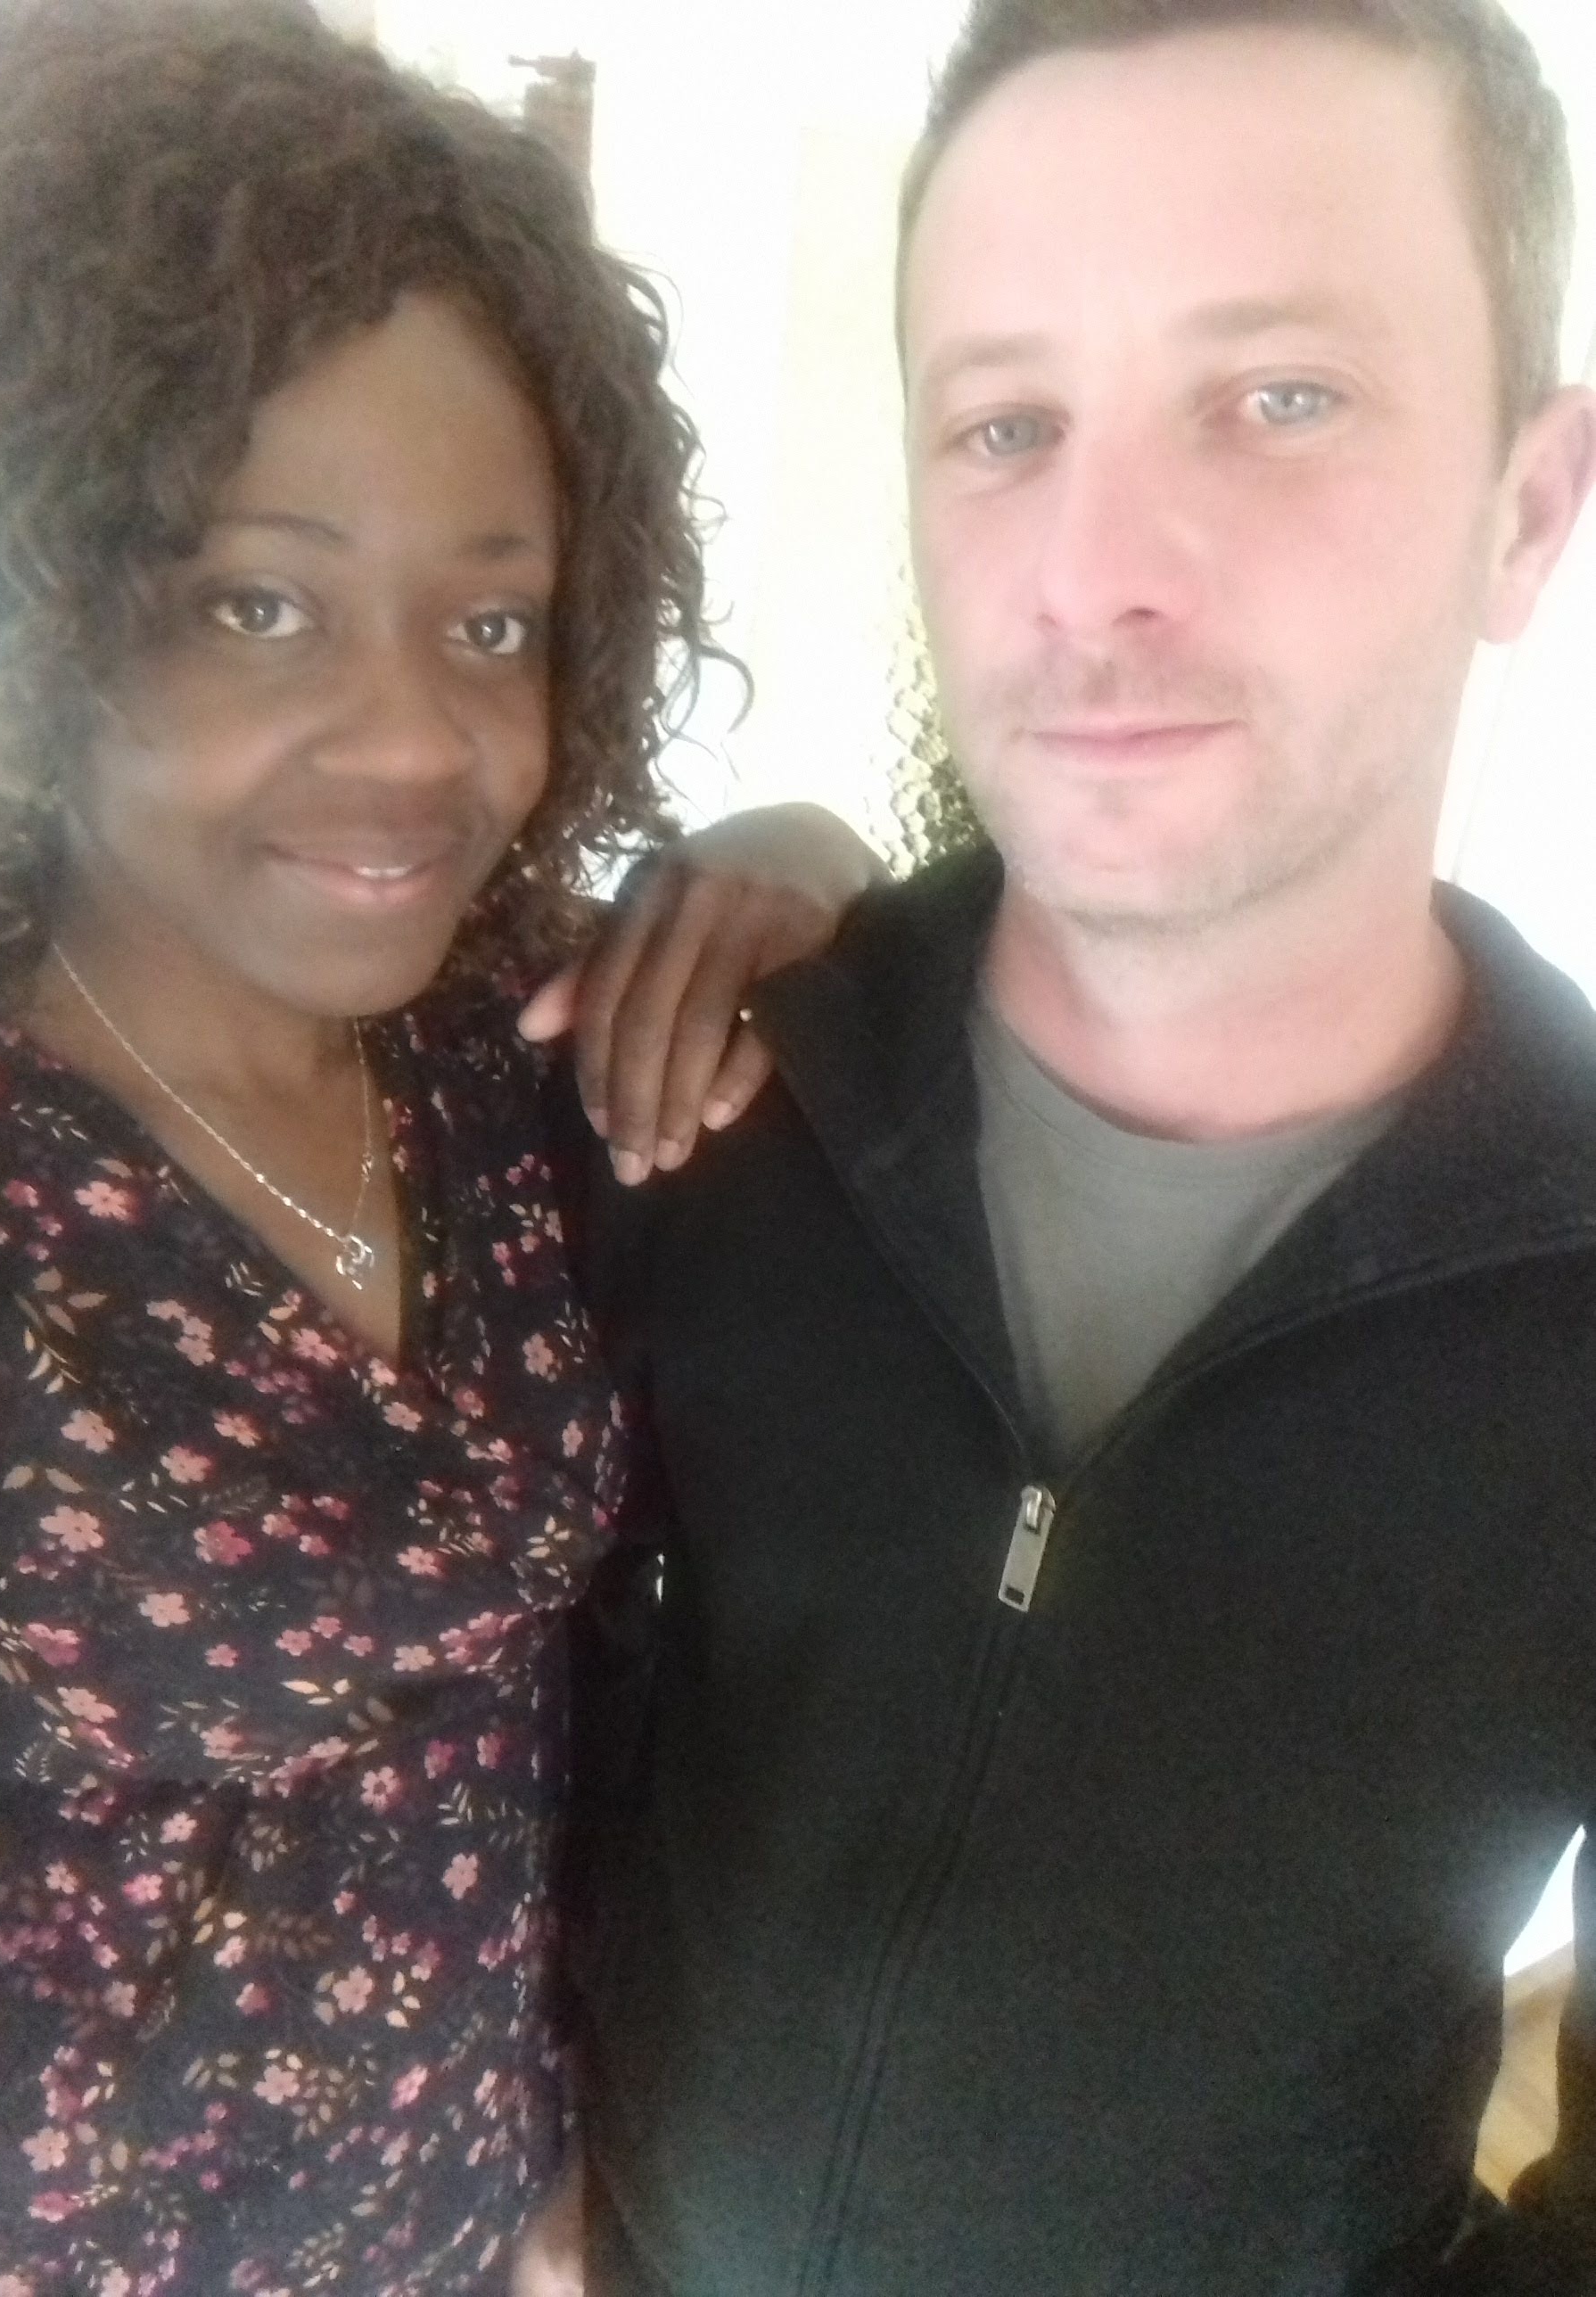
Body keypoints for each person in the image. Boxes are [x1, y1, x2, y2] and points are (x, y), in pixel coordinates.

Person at [566, 3, 1596, 2292]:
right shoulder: (697, 1090)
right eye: (1007, 425)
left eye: (1279, 397)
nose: (1094, 568)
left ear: (1524, 510)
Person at [0, 3, 881, 2291]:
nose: (415, 736)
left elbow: (493, 1760)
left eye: (490, 619)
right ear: (39, 597)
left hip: (481, 2219)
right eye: (260, 605)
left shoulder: (491, 1049)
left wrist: (786, 854)